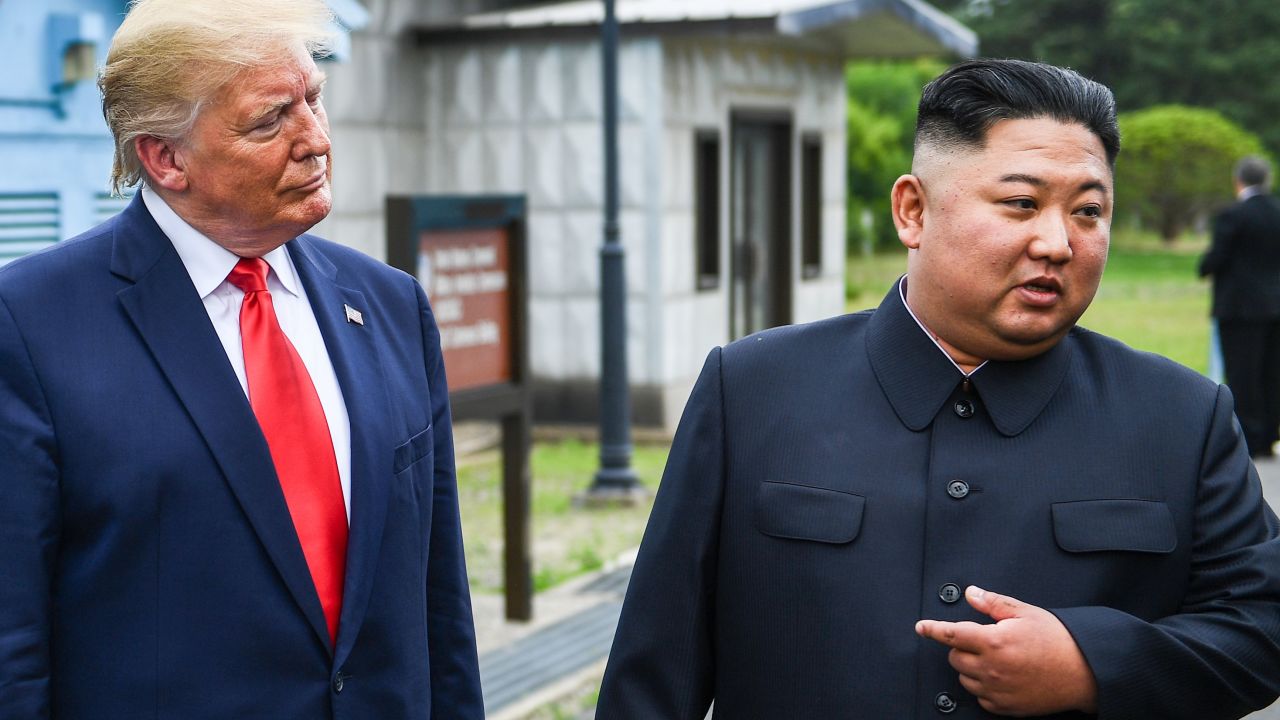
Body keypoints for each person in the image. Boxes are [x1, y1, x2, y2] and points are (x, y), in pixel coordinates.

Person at [596, 59, 1280, 719]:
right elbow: (655, 672)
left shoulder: (1181, 418)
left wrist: (1092, 664)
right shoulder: (751, 391)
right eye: (1021, 203)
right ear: (912, 211)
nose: (1057, 242)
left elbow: (1262, 628)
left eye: (1088, 212)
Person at [0, 1, 483, 717]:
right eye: (270, 120)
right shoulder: (31, 326)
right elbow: (14, 643)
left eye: (314, 99)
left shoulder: (389, 305)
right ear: (165, 158)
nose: (315, 139)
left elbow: (440, 600)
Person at [1199, 155, 1280, 458]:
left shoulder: (1233, 215)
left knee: (1243, 373)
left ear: (1238, 181)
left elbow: (1216, 258)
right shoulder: (1277, 212)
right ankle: (1270, 434)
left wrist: (1204, 267)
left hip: (1239, 308)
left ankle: (1249, 437)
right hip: (1276, 306)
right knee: (1271, 372)